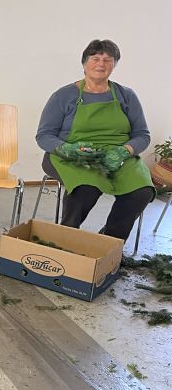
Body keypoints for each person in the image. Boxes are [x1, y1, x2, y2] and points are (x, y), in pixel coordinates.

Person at [36, 39, 154, 241]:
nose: (101, 64)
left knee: (141, 191)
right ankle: (65, 239)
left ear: (114, 65)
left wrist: (124, 151)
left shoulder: (126, 96)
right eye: (96, 58)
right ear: (84, 63)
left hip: (117, 155)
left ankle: (110, 241)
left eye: (108, 59)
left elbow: (142, 134)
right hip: (71, 155)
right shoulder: (63, 96)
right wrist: (67, 149)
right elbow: (44, 135)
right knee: (86, 188)